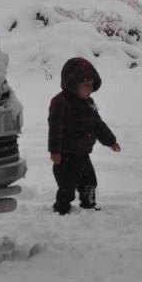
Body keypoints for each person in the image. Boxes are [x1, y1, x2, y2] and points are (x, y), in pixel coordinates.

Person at [48, 57, 121, 215]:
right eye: (86, 85)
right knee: (67, 184)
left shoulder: (89, 103)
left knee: (90, 181)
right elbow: (55, 129)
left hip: (82, 154)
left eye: (91, 85)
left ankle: (89, 203)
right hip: (65, 155)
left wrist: (111, 141)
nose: (90, 89)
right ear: (73, 84)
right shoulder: (60, 103)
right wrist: (55, 151)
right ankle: (62, 208)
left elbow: (98, 125)